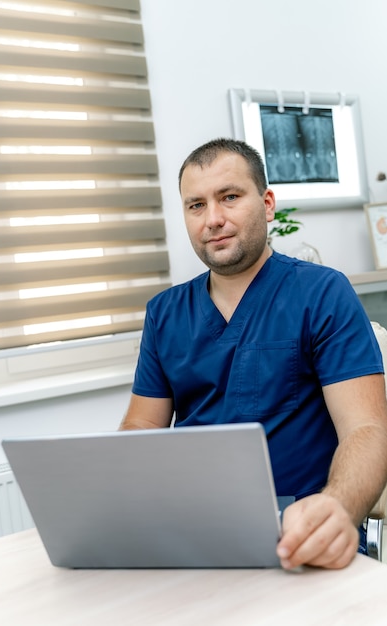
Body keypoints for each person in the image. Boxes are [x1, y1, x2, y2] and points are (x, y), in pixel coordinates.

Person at [119, 137, 387, 570]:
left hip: (302, 536)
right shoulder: (165, 313)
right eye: (196, 206)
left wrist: (337, 508)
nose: (214, 219)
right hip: (197, 534)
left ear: (266, 204)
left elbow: (367, 428)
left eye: (229, 197)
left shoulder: (321, 293)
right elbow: (140, 425)